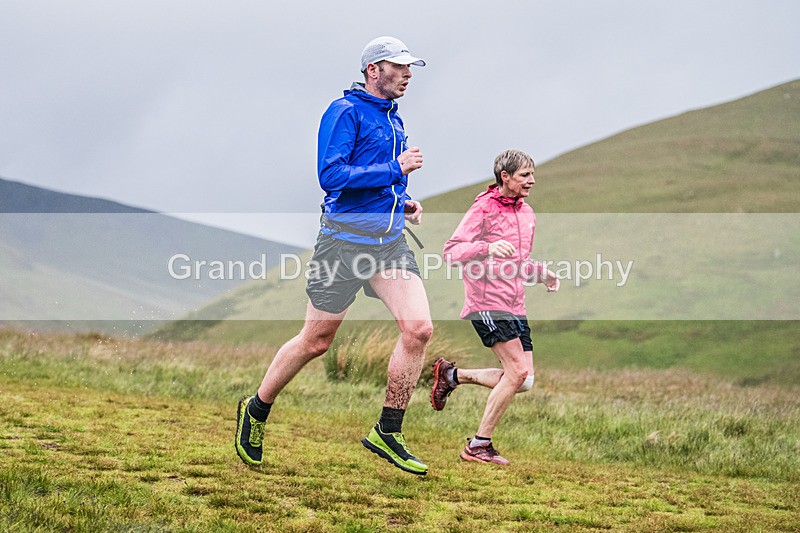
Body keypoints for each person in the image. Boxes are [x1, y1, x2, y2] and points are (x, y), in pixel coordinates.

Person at [236, 36, 433, 475]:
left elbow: (380, 184)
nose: (407, 75)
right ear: (372, 70)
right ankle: (256, 409)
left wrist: (403, 201)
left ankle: (389, 429)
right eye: (398, 67)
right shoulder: (344, 112)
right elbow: (332, 176)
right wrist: (395, 170)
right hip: (342, 245)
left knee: (418, 329)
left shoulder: (395, 120)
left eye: (409, 68)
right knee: (316, 342)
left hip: (388, 245)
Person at [431, 149, 559, 465]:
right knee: (516, 372)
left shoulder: (527, 214)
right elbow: (450, 252)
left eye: (532, 174)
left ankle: (452, 376)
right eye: (525, 175)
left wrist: (540, 273)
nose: (532, 180)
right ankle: (479, 444)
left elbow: (517, 262)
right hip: (487, 301)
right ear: (505, 176)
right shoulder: (483, 208)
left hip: (515, 301)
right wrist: (486, 247)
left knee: (524, 380)